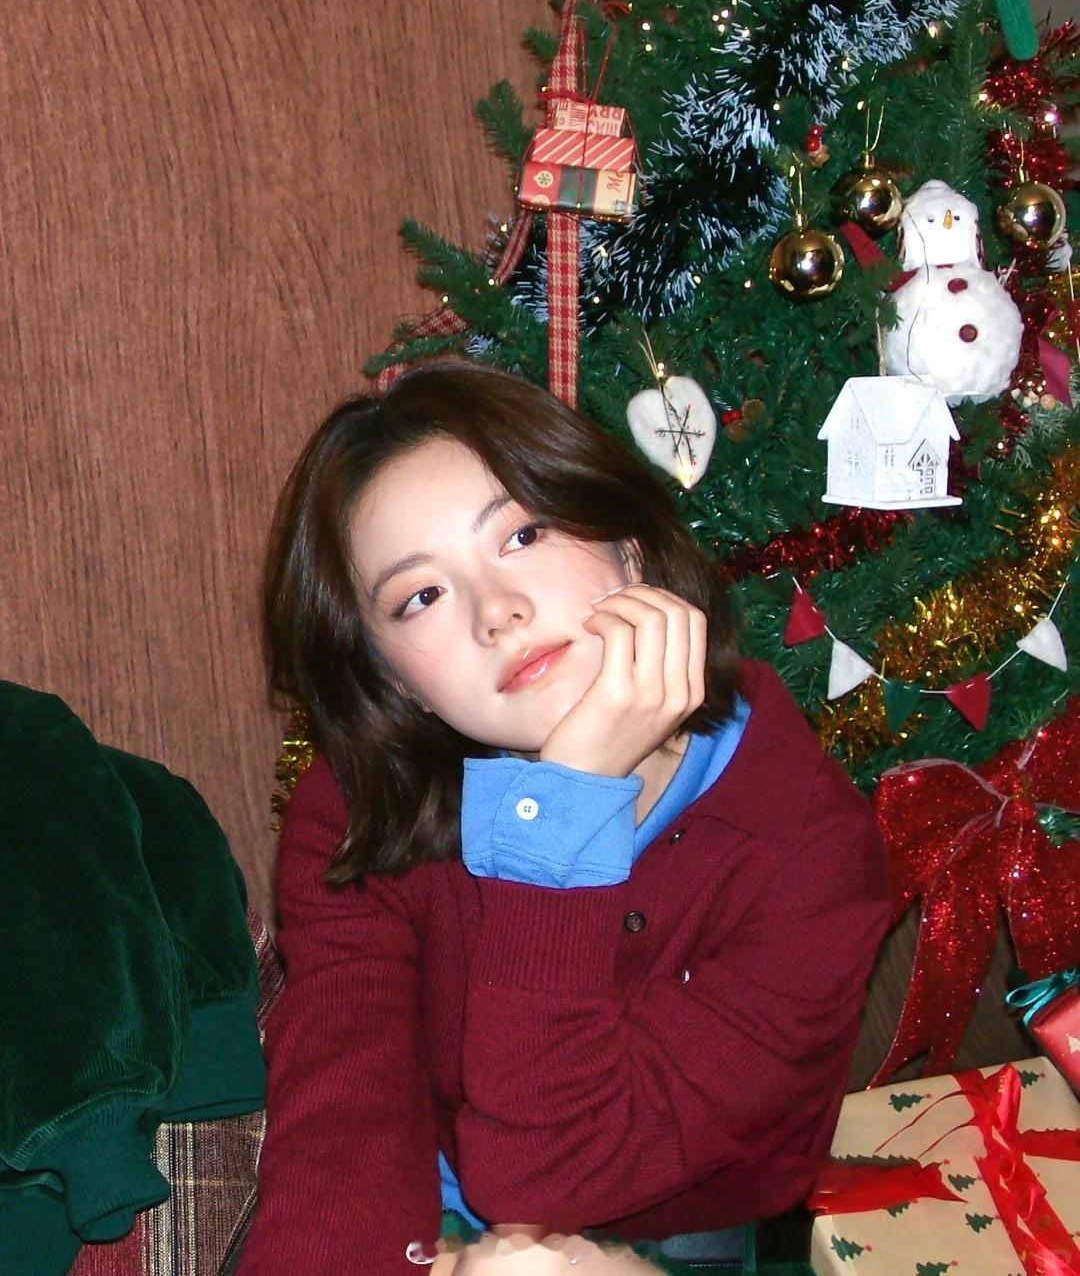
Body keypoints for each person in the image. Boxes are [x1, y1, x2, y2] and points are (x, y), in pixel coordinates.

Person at [238, 359, 891, 1274]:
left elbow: (544, 1174)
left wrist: (566, 806)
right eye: (421, 596)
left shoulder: (809, 847)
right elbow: (346, 1127)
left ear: (628, 546)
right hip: (428, 1228)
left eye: (524, 534)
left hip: (688, 1242)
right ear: (395, 680)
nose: (497, 613)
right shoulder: (361, 810)